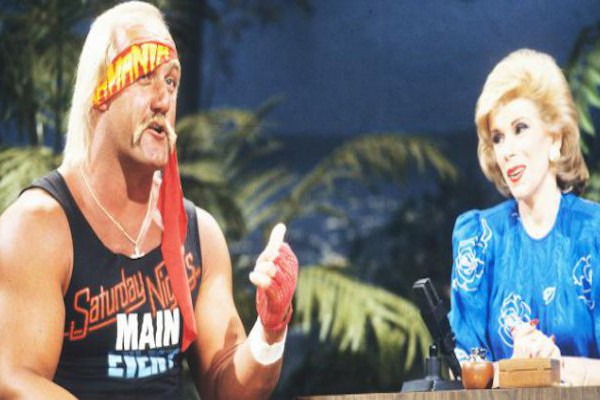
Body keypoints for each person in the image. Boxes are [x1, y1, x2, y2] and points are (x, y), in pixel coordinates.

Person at [0, 2, 298, 399]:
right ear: (99, 92)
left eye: (171, 82)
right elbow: (14, 380)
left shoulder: (199, 235)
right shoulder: (38, 227)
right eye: (144, 77)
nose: (163, 100)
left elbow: (228, 387)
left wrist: (271, 328)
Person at [448, 48, 600, 386]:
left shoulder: (594, 233)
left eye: (520, 128)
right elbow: (459, 369)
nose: (508, 150)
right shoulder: (479, 238)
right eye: (498, 137)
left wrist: (554, 367)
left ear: (555, 138)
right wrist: (516, 370)